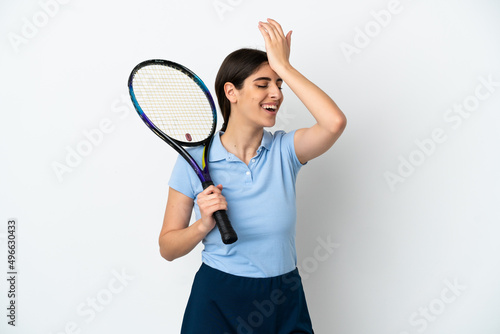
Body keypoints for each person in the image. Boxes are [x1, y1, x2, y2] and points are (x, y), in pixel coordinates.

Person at [159, 18, 347, 333]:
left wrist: (283, 67)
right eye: (263, 84)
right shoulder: (195, 163)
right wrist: (204, 224)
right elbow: (168, 248)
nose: (276, 93)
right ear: (231, 92)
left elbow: (334, 123)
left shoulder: (286, 151)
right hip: (217, 297)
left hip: (283, 295)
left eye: (279, 85)